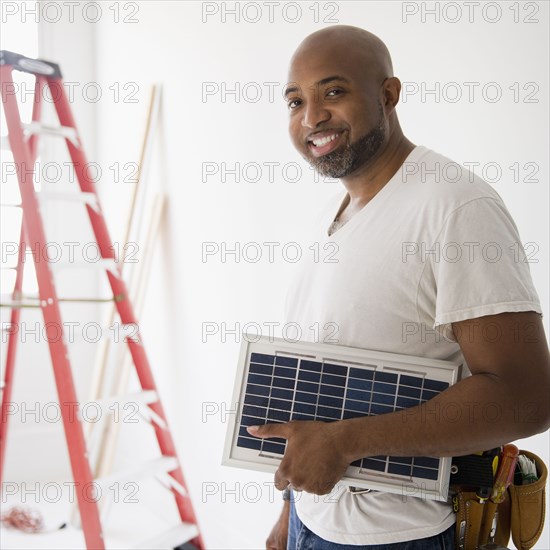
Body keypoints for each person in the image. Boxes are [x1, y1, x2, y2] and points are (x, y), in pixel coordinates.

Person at [246, 25, 550, 548]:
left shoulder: (454, 207)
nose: (312, 116)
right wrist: (290, 512)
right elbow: (318, 381)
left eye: (333, 92)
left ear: (388, 94)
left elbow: (528, 397)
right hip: (313, 524)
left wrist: (345, 443)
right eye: (295, 100)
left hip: (403, 534)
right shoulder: (334, 214)